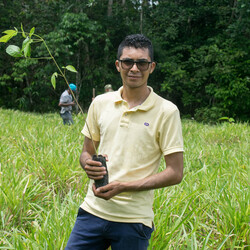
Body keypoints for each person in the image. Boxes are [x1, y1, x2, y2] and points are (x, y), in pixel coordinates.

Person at [66, 34, 184, 250]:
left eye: (142, 63)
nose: (134, 68)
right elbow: (86, 152)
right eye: (128, 62)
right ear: (118, 65)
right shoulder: (100, 103)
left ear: (152, 67)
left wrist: (123, 187)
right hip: (92, 212)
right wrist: (88, 164)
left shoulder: (167, 111)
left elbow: (175, 172)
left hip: (134, 221)